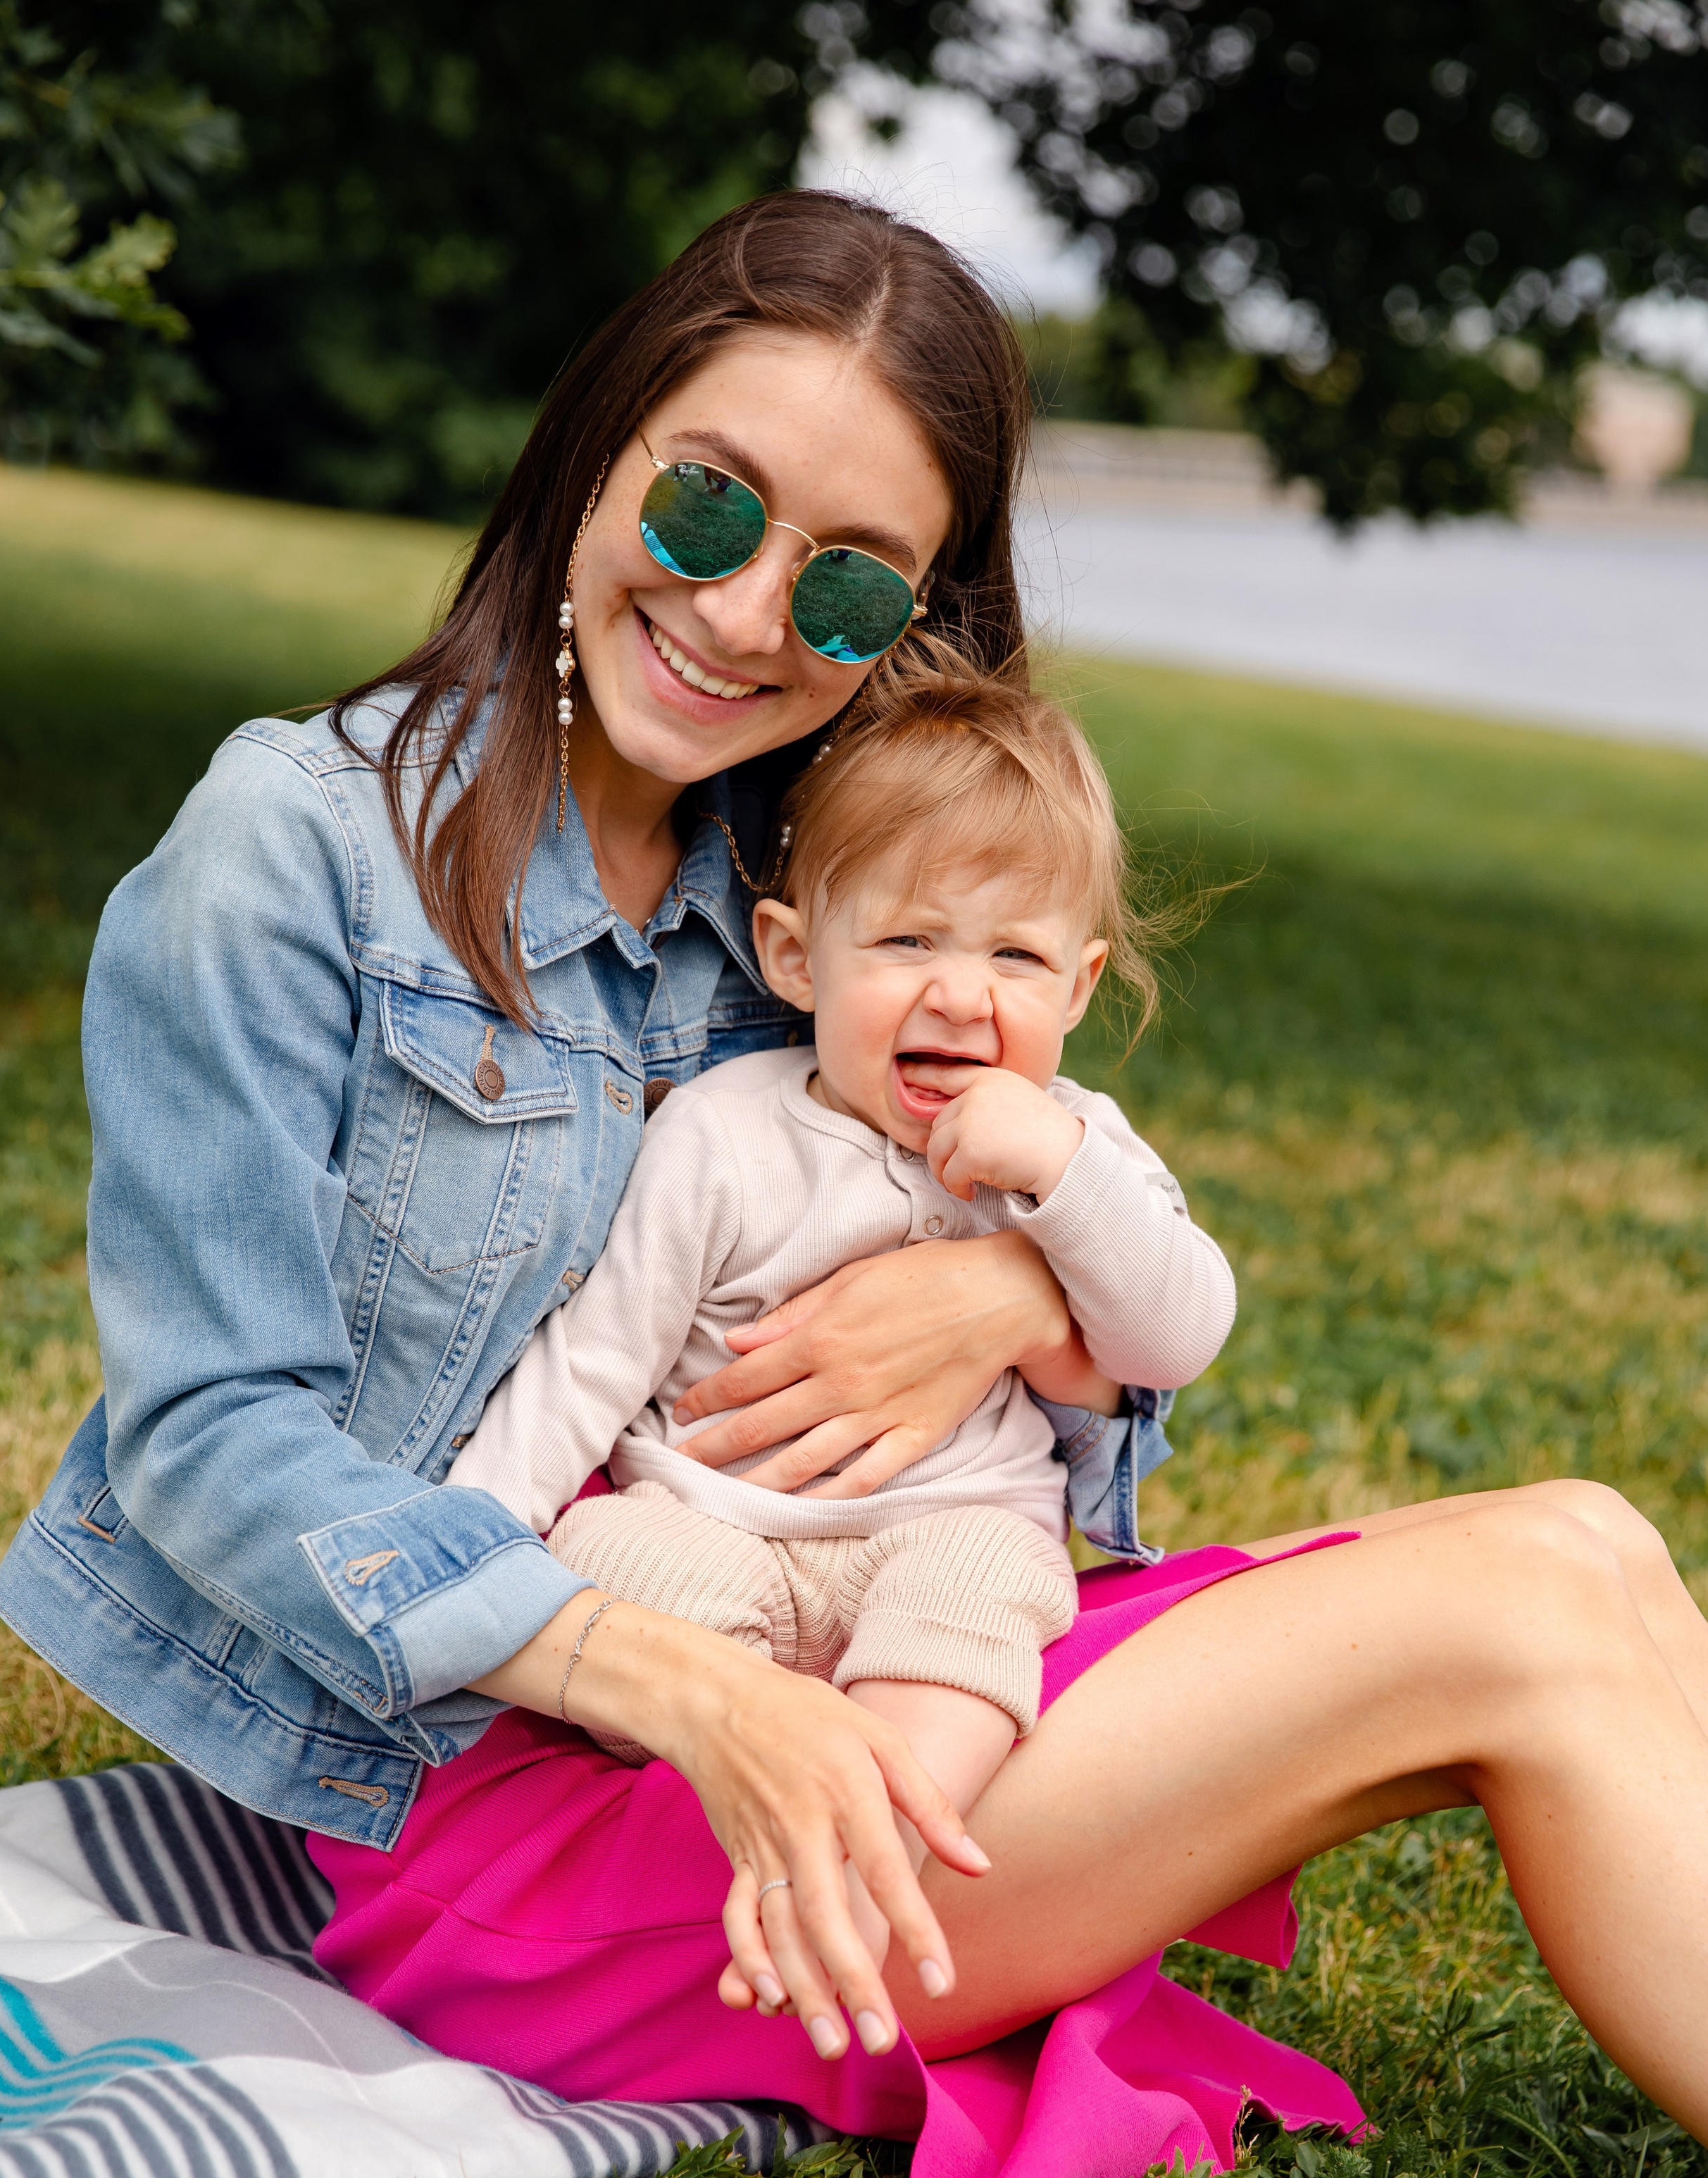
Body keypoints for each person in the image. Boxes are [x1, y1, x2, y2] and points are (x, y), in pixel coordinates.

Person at [0, 194, 1708, 2178]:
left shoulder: (819, 896)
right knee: (1515, 1618)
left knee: (1590, 1543)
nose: (739, 617)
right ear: (603, 445)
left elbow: (1066, 1260)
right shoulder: (285, 858)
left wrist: (1012, 1283)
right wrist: (682, 1685)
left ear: (910, 615)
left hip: (886, 1667)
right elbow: (208, 1444)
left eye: (838, 580)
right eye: (708, 503)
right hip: (491, 1814)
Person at [450, 652, 1237, 1955]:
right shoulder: (722, 1133)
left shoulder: (1081, 1146)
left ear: (1081, 988)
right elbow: (596, 1357)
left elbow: (1179, 1334)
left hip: (942, 1528)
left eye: (1016, 956)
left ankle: (868, 1862)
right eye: (908, 939)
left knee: (991, 1585)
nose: (963, 993)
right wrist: (474, 1543)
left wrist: (1055, 1173)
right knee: (604, 1559)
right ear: (795, 957)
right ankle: (770, 1809)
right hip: (712, 1526)